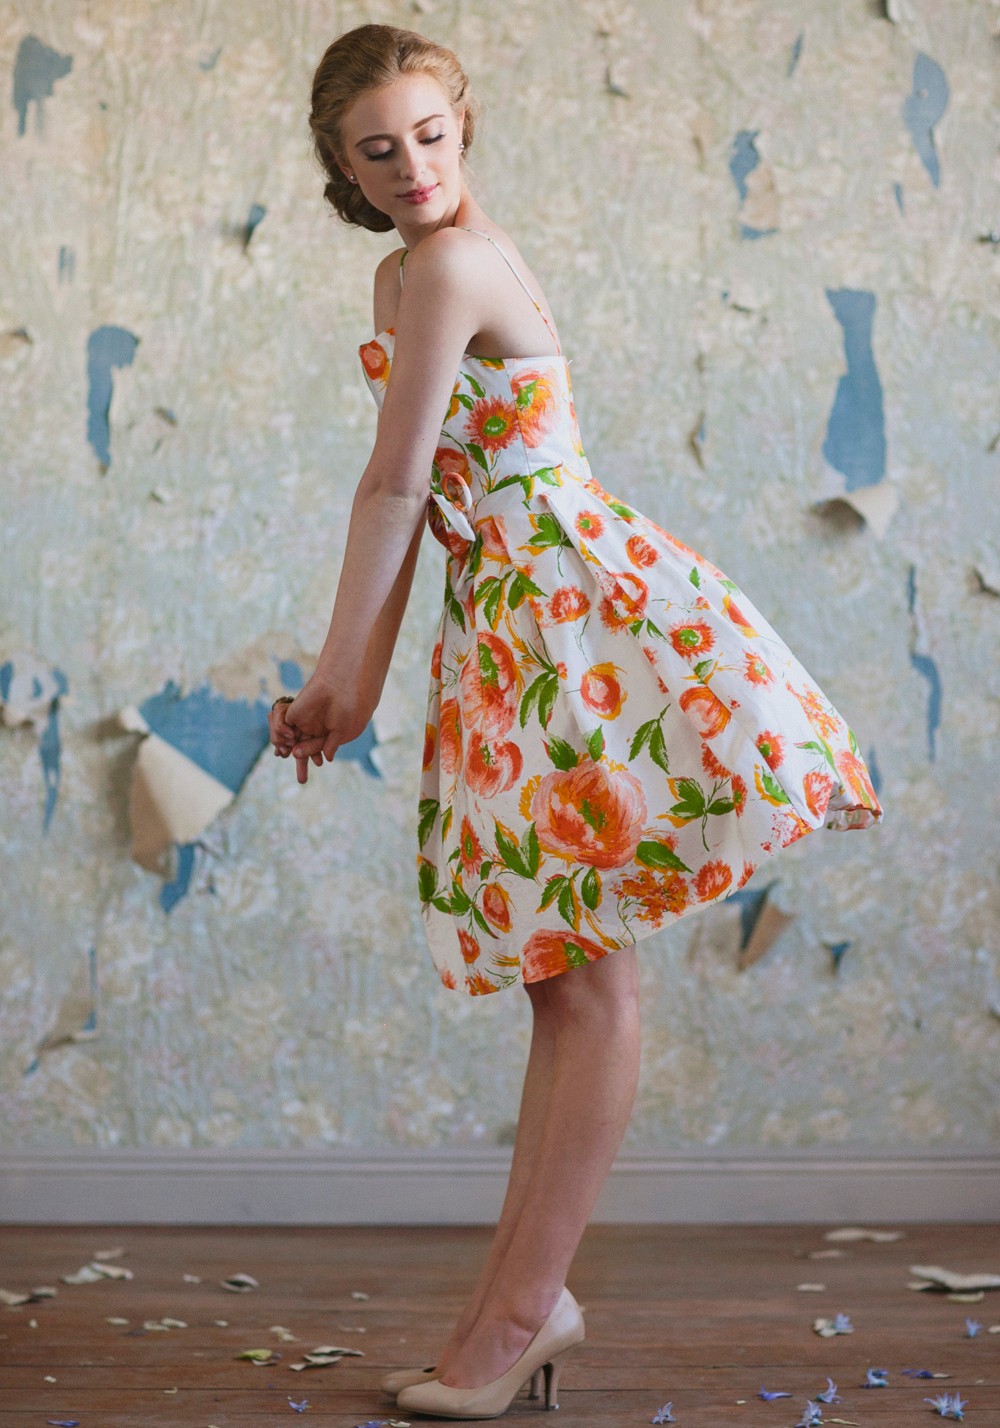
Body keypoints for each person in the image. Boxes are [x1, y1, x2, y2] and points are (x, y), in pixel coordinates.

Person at [268, 22, 885, 1421]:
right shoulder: (407, 271)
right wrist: (356, 683)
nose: (413, 167)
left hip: (569, 612)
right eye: (378, 151)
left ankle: (518, 1317)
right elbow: (425, 497)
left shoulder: (449, 266)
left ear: (463, 123)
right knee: (563, 977)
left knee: (589, 981)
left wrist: (339, 677)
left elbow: (392, 487)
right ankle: (515, 1310)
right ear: (344, 169)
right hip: (509, 618)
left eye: (430, 135)